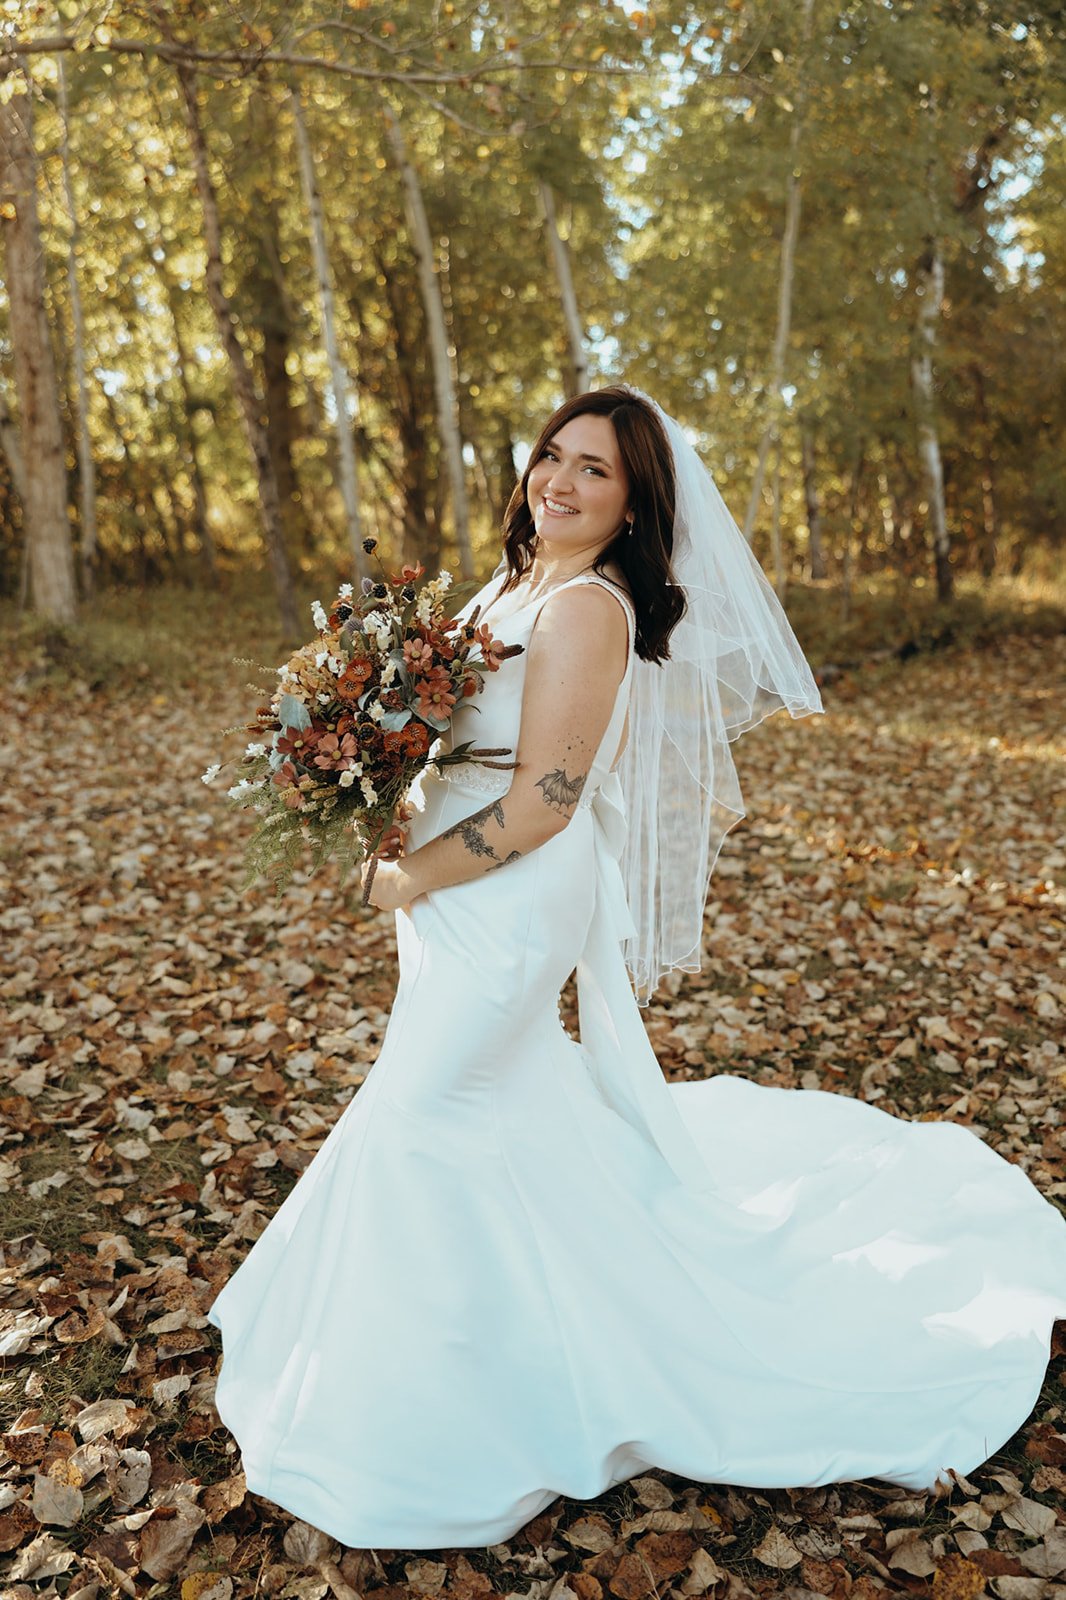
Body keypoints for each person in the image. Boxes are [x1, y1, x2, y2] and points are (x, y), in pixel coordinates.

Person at [207, 385, 1066, 1552]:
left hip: (504, 894)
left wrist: (414, 874)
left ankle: (428, 1408)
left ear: (633, 502)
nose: (557, 480)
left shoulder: (589, 612)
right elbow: (457, 736)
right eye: (551, 455)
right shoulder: (512, 584)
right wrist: (371, 771)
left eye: (593, 470)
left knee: (422, 1110)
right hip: (452, 881)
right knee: (493, 1106)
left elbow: (546, 804)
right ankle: (509, 1336)